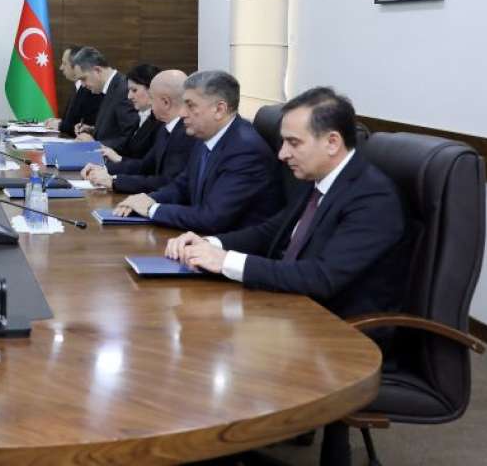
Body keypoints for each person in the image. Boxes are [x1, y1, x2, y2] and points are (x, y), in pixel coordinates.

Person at [166, 87, 407, 465]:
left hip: (340, 331)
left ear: (332, 142)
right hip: (295, 310)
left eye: (293, 143)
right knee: (185, 328)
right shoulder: (321, 180)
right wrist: (209, 243)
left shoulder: (371, 197)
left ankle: (216, 450)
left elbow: (322, 277)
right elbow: (271, 231)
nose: (281, 154)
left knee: (198, 350)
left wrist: (225, 261)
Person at [112, 70, 280, 234]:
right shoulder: (205, 135)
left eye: (190, 105)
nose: (182, 113)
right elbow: (182, 185)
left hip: (227, 245)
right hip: (199, 237)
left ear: (219, 110)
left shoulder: (245, 150)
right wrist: (149, 198)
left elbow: (211, 218)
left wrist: (151, 209)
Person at [83, 69, 196, 194]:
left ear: (165, 102)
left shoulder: (185, 134)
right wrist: (104, 169)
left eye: (151, 98)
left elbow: (167, 182)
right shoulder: (165, 128)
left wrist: (114, 181)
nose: (150, 102)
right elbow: (144, 166)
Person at [70, 47, 136, 151]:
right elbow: (114, 130)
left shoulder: (123, 90)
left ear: (97, 70)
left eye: (83, 79)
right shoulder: (110, 87)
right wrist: (92, 130)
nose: (82, 85)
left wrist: (95, 145)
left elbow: (129, 138)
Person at [95, 62, 162, 163]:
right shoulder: (142, 117)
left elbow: (148, 166)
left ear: (151, 90)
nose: (129, 96)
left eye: (134, 90)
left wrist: (119, 159)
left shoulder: (159, 123)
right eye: (129, 91)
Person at [42, 45, 103, 136]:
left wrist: (60, 125)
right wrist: (59, 122)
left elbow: (87, 126)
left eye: (64, 63)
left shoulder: (91, 89)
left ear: (76, 66)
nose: (61, 68)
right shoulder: (77, 87)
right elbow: (73, 121)